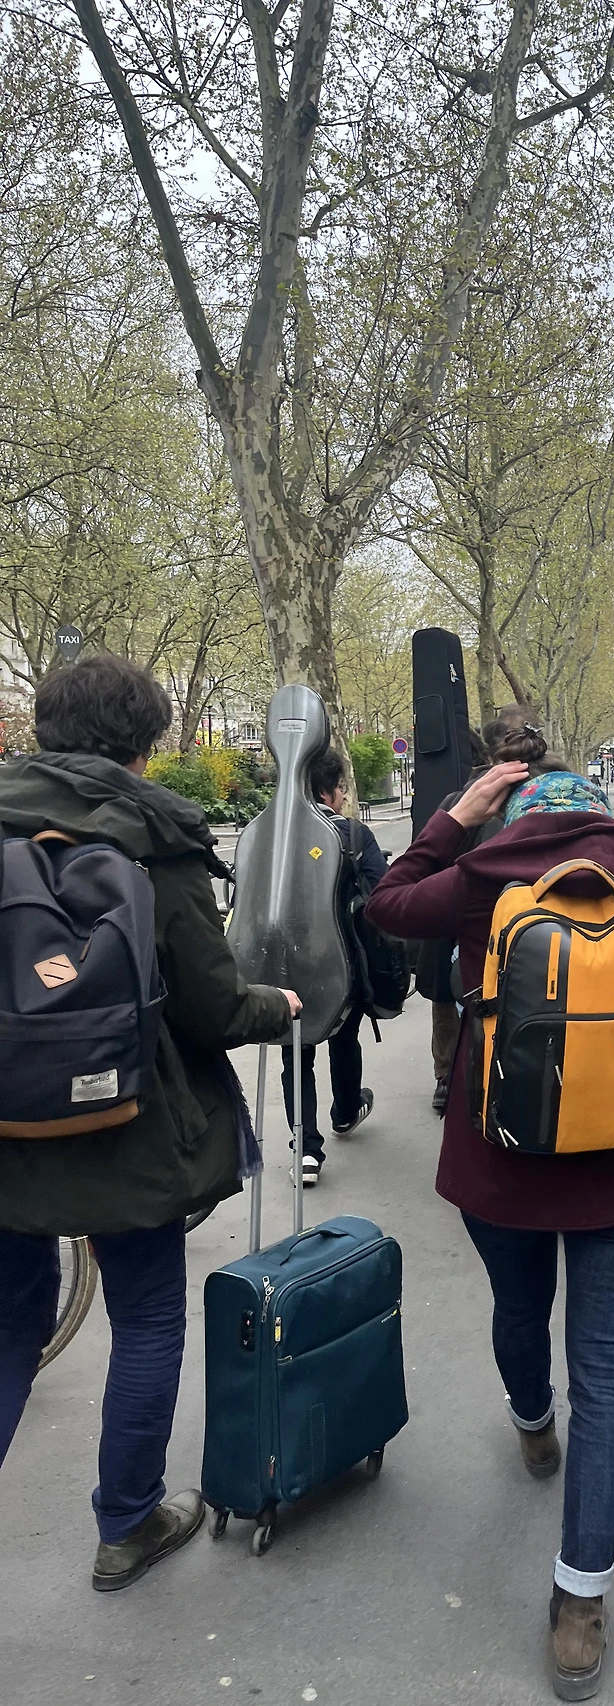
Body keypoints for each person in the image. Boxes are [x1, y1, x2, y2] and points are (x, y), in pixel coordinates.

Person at [366, 765, 614, 1701]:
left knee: (518, 1307)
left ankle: (531, 1423)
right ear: (599, 811)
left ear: (513, 815)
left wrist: (454, 818)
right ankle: (579, 1603)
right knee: (607, 1368)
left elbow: (385, 905)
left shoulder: (486, 874)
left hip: (501, 1164)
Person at [0, 653, 298, 1590]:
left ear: (45, 727)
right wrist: (279, 1005)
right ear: (144, 742)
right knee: (147, 1318)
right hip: (127, 1125)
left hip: (4, 1123)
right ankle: (127, 1522)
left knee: (6, 1326)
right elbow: (212, 1007)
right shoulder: (153, 837)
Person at [426, 711, 567, 1114]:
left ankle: (457, 1082)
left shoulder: (465, 802)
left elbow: (405, 892)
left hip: (475, 938)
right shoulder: (565, 793)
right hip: (554, 939)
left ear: (490, 751)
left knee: (471, 1016)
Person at [280, 747, 388, 1186]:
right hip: (343, 959)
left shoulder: (273, 835)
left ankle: (306, 1151)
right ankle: (345, 1111)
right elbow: (381, 894)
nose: (343, 796)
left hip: (286, 961)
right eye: (341, 788)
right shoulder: (354, 835)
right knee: (345, 1036)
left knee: (295, 1051)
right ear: (327, 790)